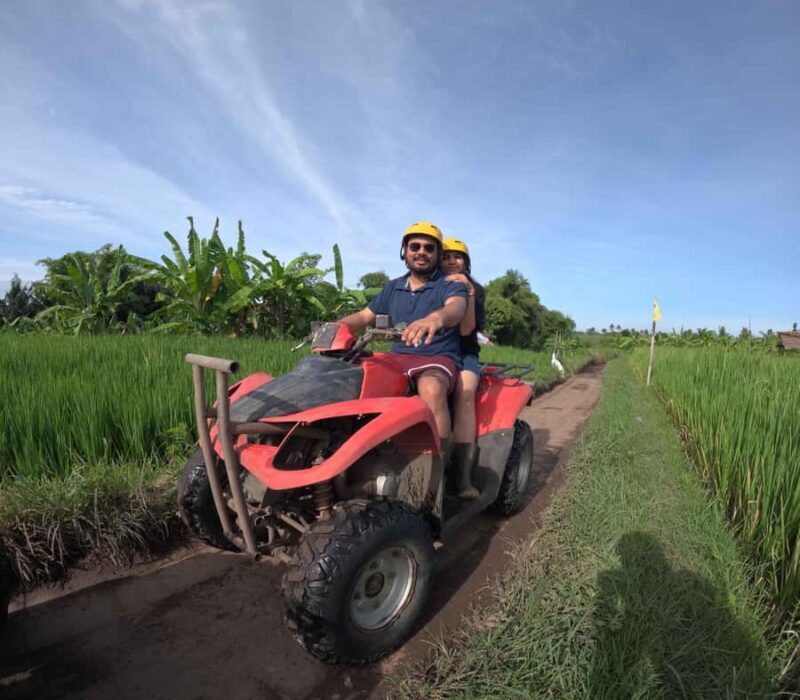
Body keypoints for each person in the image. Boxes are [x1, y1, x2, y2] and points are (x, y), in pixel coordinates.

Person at [338, 221, 468, 464]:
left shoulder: (450, 284)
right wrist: (334, 328)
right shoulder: (393, 287)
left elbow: (457, 308)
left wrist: (435, 318)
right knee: (351, 376)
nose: (421, 252)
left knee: (431, 388)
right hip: (396, 358)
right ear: (404, 252)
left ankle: (437, 467)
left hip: (437, 357)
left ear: (438, 254)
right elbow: (365, 316)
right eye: (415, 246)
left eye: (429, 248)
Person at [441, 237, 485, 499]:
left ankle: (463, 477)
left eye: (457, 257)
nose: (450, 261)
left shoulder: (475, 289)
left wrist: (467, 292)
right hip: (431, 350)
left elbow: (466, 330)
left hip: (463, 352)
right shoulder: (430, 285)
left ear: (466, 262)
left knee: (465, 392)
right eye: (446, 256)